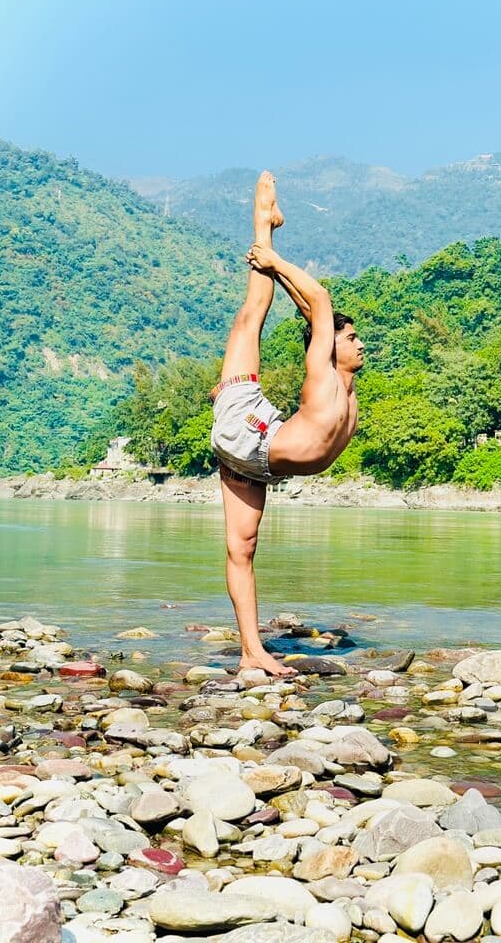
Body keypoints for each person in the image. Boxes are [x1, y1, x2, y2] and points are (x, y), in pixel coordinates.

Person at [210, 172, 364, 676]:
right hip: (246, 427)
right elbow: (319, 304)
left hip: (258, 464)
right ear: (330, 344)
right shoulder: (321, 372)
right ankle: (262, 223)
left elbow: (312, 310)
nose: (360, 344)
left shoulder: (348, 391)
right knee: (251, 314)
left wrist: (289, 284)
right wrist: (272, 261)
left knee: (242, 549)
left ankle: (252, 652)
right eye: (353, 336)